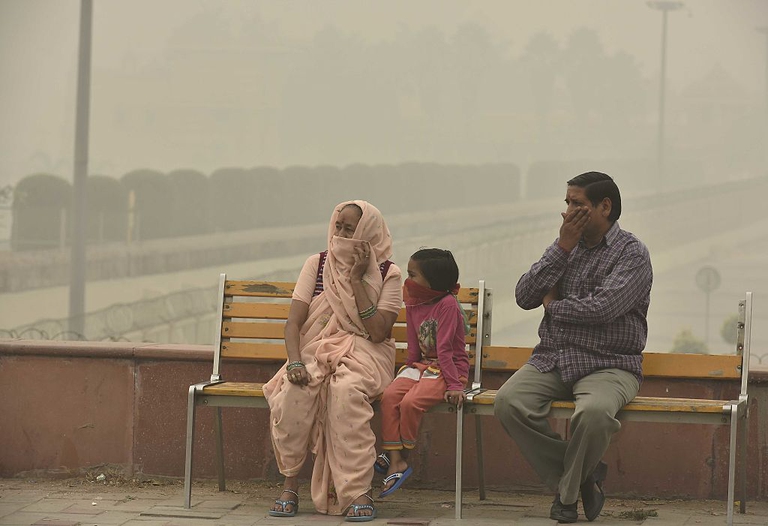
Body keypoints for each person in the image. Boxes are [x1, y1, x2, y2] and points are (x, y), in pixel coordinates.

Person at [494, 171, 653, 523]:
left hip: (611, 364)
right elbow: (523, 296)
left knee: (594, 414)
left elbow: (603, 308)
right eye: (566, 203)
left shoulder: (632, 253)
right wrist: (561, 247)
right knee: (508, 403)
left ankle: (566, 498)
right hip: (554, 357)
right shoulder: (565, 248)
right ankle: (584, 476)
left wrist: (552, 306)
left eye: (577, 204)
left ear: (604, 207)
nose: (567, 212)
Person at [263, 200, 402, 522]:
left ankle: (358, 492)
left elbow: (378, 332)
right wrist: (295, 363)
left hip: (366, 353)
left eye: (350, 229)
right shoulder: (317, 263)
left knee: (347, 394)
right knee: (293, 394)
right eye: (338, 226)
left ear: (368, 232)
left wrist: (356, 280)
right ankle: (289, 484)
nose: (340, 234)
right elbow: (294, 324)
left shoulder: (388, 272)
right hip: (314, 351)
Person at [375, 248, 469, 497]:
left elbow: (446, 350)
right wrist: (407, 371)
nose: (408, 281)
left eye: (412, 275)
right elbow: (414, 346)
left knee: (411, 402)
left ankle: (400, 456)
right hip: (423, 366)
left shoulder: (447, 305)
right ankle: (395, 458)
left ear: (432, 281)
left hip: (448, 370)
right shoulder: (415, 302)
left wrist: (455, 385)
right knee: (391, 396)